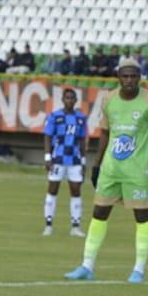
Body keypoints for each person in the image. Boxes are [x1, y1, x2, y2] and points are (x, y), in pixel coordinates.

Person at [65, 59, 148, 284]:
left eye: (134, 76)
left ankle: (138, 270)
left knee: (141, 216)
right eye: (125, 76)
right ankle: (86, 266)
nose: (129, 80)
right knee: (99, 213)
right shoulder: (109, 99)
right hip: (111, 169)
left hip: (137, 171)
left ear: (140, 77)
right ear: (118, 77)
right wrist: (97, 164)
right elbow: (104, 132)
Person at [42, 88, 89, 237]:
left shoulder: (81, 119)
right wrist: (48, 157)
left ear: (76, 101)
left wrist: (83, 161)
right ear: (62, 99)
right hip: (57, 159)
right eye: (67, 98)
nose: (69, 100)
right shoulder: (54, 117)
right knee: (53, 189)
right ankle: (48, 225)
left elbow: (82, 140)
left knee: (76, 191)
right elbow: (47, 137)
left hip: (74, 160)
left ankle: (75, 227)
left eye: (72, 98)